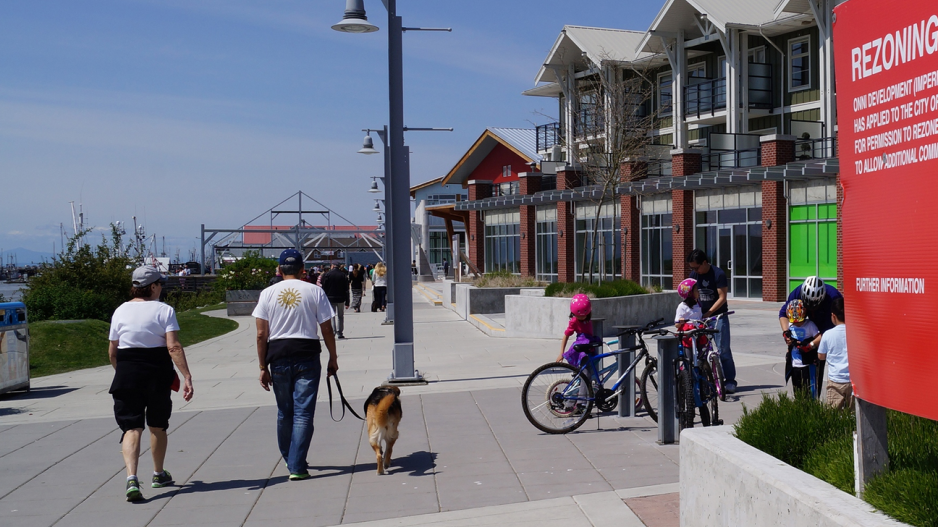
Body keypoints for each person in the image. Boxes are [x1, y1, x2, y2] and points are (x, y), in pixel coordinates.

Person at [108, 266, 194, 502]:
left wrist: (123, 373)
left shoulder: (120, 311)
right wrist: (186, 375)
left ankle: (131, 478)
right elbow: (173, 347)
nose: (161, 290)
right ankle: (158, 473)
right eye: (160, 285)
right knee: (157, 425)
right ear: (153, 286)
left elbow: (112, 351)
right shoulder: (164, 310)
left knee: (131, 427)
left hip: (127, 373)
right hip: (157, 373)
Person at [253, 249, 338, 481]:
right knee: (303, 413)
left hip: (278, 355)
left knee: (285, 412)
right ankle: (297, 465)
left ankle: (290, 458)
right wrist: (333, 357)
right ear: (303, 270)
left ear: (279, 270)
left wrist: (262, 367)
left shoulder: (267, 294)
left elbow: (261, 334)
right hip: (307, 353)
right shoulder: (315, 291)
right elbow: (327, 329)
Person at [779, 276, 844, 395]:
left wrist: (811, 345)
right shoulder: (797, 292)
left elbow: (828, 331)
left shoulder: (833, 297)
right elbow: (783, 313)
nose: (810, 308)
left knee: (816, 370)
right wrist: (786, 333)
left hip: (825, 328)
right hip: (806, 331)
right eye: (808, 305)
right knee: (798, 377)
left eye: (814, 306)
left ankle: (815, 399)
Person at [687, 249, 736, 393]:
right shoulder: (694, 275)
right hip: (700, 319)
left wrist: (708, 313)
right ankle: (706, 380)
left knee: (723, 350)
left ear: (704, 262)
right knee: (701, 351)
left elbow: (722, 297)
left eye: (697, 267)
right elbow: (689, 294)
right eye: (692, 268)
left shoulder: (718, 274)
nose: (695, 271)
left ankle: (730, 381)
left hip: (717, 317)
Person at [818, 297, 851, 409]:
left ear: (833, 316)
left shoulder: (828, 334)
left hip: (835, 380)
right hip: (852, 381)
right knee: (852, 414)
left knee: (833, 414)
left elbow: (821, 356)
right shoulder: (855, 333)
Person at [784, 299, 820, 397]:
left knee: (810, 392)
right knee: (797, 392)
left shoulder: (810, 325)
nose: (796, 324)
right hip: (795, 365)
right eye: (794, 322)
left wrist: (810, 345)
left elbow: (820, 337)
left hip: (807, 365)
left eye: (798, 322)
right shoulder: (791, 326)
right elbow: (789, 342)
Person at [321, 264, 350, 339]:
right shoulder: (343, 275)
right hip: (341, 298)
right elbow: (346, 289)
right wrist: (347, 301)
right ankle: (340, 332)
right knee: (340, 316)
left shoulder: (327, 275)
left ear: (332, 266)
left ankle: (333, 331)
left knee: (332, 316)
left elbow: (324, 287)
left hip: (330, 298)